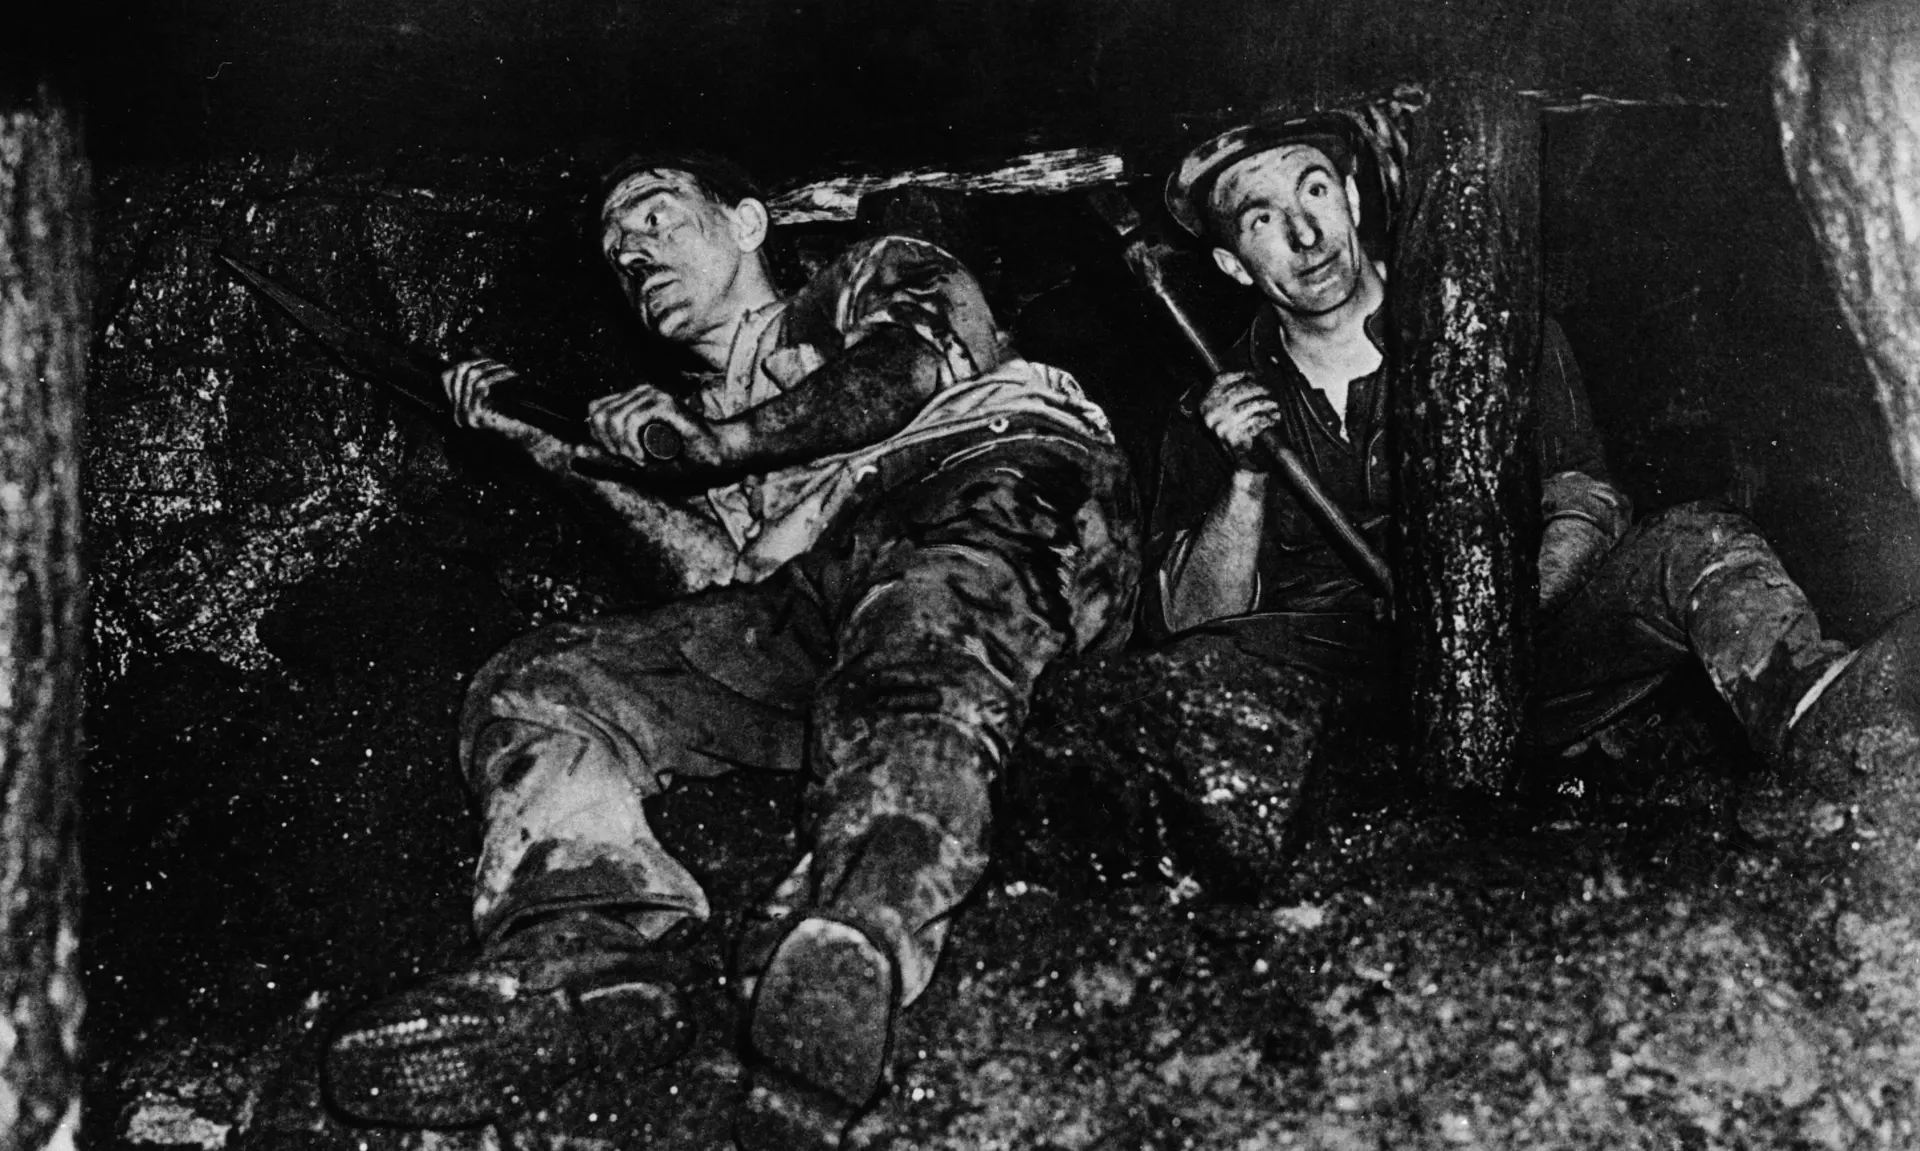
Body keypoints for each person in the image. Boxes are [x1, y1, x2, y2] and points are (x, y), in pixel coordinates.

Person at [322, 152, 1140, 1148]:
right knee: (543, 683)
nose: (636, 252)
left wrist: (724, 444)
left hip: (995, 501)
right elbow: (717, 589)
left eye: (657, 217)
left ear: (749, 222)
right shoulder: (693, 422)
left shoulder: (872, 276)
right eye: (619, 253)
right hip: (821, 605)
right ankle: (581, 950)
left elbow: (912, 367)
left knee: (917, 632)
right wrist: (561, 453)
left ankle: (854, 941)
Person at [1148, 109, 1920, 789]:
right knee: (1193, 674)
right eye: (1261, 220)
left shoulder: (1500, 327)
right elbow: (1192, 624)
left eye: (1314, 190)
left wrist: (1507, 616)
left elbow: (1586, 498)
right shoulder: (1215, 411)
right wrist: (1245, 480)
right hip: (1354, 685)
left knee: (1701, 543)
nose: (1305, 235)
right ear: (1231, 262)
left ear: (1350, 196)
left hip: (1529, 646)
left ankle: (1824, 725)